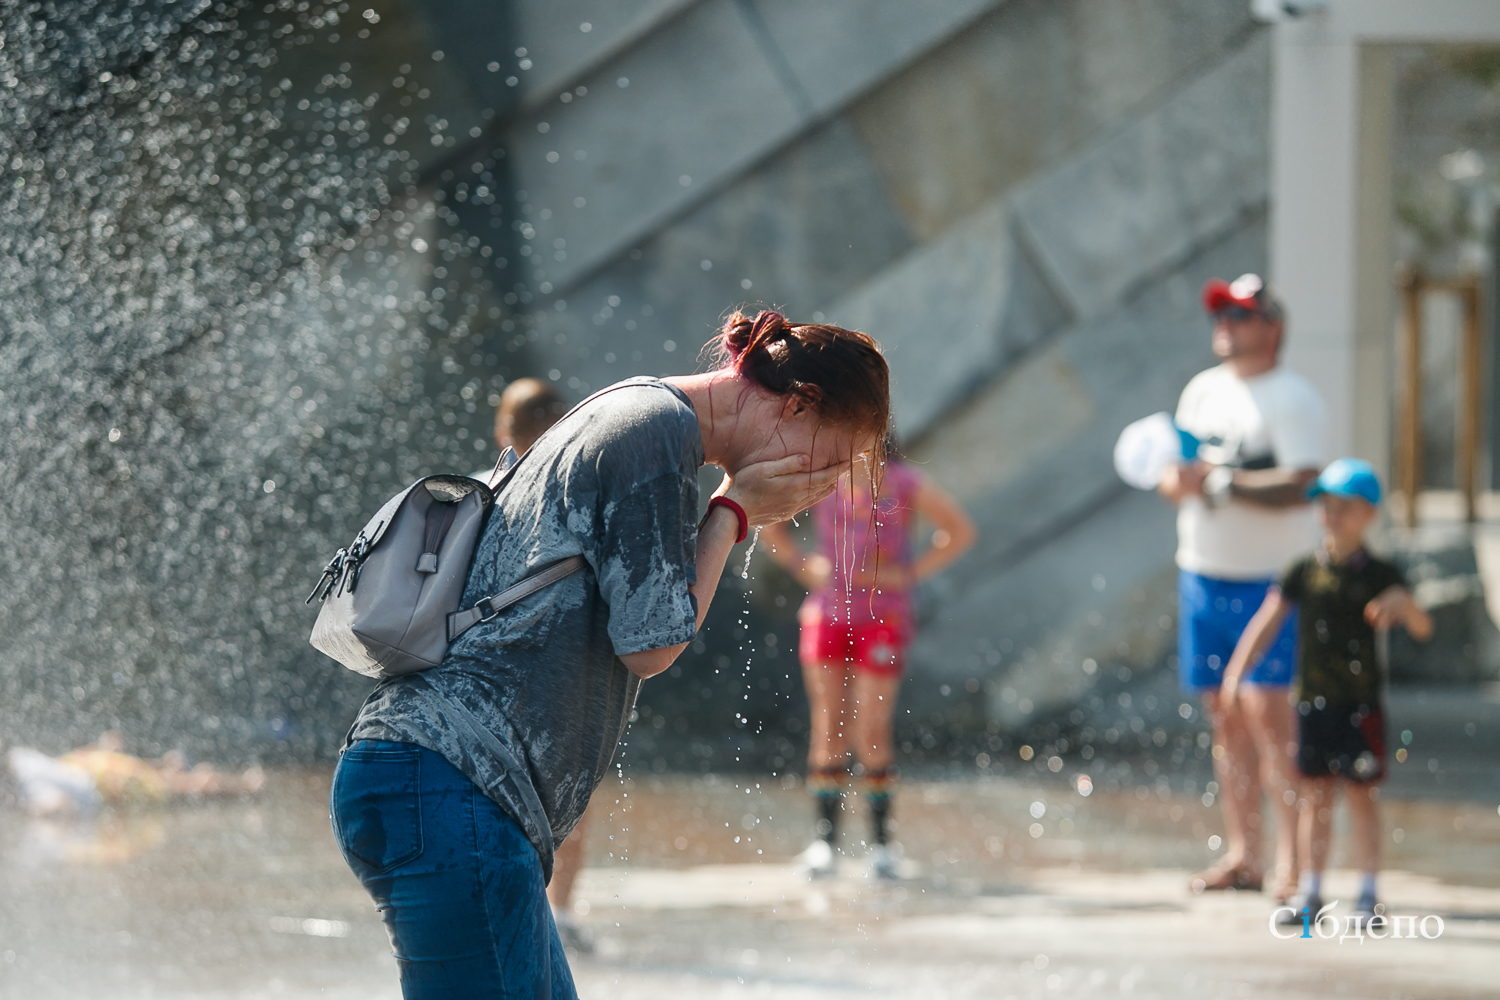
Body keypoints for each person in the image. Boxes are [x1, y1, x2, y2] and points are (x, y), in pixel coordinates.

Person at [331, 309, 889, 999]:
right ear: (799, 404)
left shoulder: (638, 411)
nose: (825, 482)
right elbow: (652, 643)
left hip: (445, 784)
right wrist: (733, 512)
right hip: (449, 783)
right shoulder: (654, 433)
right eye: (834, 456)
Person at [1158, 273, 1326, 900]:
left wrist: (1221, 483)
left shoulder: (1293, 397)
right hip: (1203, 571)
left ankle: (1294, 861)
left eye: (1240, 314)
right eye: (1219, 314)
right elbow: (1178, 476)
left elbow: (1303, 484)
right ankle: (1244, 854)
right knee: (1224, 717)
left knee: (1271, 720)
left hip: (1272, 583)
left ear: (1272, 327)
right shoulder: (1201, 391)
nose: (1225, 324)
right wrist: (1177, 481)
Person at [1221, 459, 1431, 925]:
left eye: (1345, 507)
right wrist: (1237, 672)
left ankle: (1369, 892)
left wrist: (1405, 603)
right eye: (1326, 505)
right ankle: (1311, 890)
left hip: (1361, 704)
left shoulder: (1380, 574)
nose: (1333, 515)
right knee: (1314, 794)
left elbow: (1422, 627)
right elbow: (1268, 621)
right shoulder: (1303, 570)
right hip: (1312, 701)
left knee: (1361, 794)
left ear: (1369, 514)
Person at [762, 443, 975, 879]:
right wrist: (801, 563)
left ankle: (880, 845)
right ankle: (825, 843)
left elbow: (958, 531)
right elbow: (770, 523)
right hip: (827, 613)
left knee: (873, 729)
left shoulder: (904, 482)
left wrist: (908, 572)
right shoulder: (823, 477)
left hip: (884, 617)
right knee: (829, 725)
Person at [484, 377, 593, 953]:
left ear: (504, 430)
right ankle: (561, 912)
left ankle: (510, 910)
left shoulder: (481, 491)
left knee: (497, 792)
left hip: (487, 679)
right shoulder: (581, 494)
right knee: (572, 792)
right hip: (565, 672)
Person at [6, 731, 264, 816]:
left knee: (184, 785)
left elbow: (56, 805)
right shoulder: (17, 759)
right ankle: (241, 785)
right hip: (99, 768)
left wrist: (26, 811)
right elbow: (60, 769)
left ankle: (245, 788)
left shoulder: (26, 781)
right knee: (174, 779)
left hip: (105, 781)